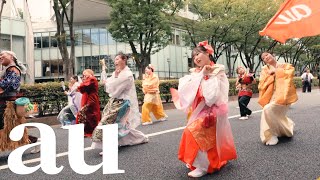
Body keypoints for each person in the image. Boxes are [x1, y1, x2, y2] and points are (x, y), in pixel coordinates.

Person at [171, 41, 237, 178]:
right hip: (198, 110)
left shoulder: (217, 70)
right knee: (206, 139)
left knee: (193, 133)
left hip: (212, 111)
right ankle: (210, 162)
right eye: (194, 56)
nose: (195, 58)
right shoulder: (195, 72)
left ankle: (204, 166)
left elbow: (211, 98)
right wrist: (201, 75)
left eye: (198, 54)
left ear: (208, 53)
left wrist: (206, 77)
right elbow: (185, 88)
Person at [91, 52, 148, 155]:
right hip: (115, 101)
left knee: (109, 123)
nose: (115, 61)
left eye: (117, 59)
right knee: (121, 125)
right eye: (115, 59)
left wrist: (111, 82)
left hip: (123, 103)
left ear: (124, 60)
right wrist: (111, 79)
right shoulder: (117, 73)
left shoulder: (127, 75)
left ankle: (110, 147)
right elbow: (109, 84)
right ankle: (140, 138)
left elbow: (115, 89)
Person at [0, 50, 39, 153]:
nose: (0, 57)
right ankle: (34, 141)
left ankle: (34, 141)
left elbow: (7, 85)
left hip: (8, 104)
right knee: (12, 128)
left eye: (2, 55)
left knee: (11, 128)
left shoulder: (13, 69)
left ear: (11, 57)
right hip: (5, 102)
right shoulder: (7, 69)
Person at [258, 52, 298, 146]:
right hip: (271, 96)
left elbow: (289, 74)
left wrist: (276, 71)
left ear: (273, 55)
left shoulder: (285, 65)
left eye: (267, 55)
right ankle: (271, 135)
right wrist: (271, 76)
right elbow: (261, 84)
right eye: (263, 58)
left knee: (271, 112)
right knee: (269, 111)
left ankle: (284, 128)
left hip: (284, 95)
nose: (265, 58)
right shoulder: (265, 70)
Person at [76, 69, 100, 137]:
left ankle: (92, 131)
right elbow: (82, 89)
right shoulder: (89, 80)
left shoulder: (92, 79)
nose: (84, 75)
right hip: (88, 98)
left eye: (85, 73)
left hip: (91, 99)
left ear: (90, 73)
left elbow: (82, 87)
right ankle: (88, 131)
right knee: (87, 115)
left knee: (89, 114)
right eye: (83, 74)